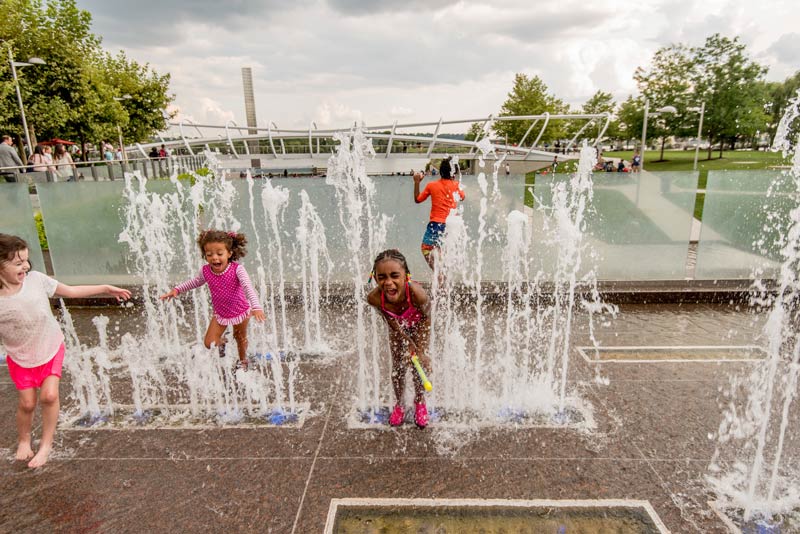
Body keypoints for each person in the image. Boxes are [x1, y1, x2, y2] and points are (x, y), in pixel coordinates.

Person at [0, 234, 131, 468]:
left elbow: (70, 291)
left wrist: (105, 288)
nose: (26, 267)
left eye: (27, 261)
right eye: (18, 263)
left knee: (49, 395)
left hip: (50, 346)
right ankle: (24, 439)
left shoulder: (36, 280)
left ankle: (46, 446)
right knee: (27, 403)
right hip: (20, 356)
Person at [160, 229, 265, 370]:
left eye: (219, 254)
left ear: (229, 253)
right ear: (205, 255)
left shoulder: (237, 269)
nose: (215, 258)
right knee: (209, 342)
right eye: (209, 254)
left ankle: (243, 360)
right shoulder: (206, 271)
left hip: (241, 311)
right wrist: (177, 290)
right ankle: (222, 342)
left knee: (240, 338)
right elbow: (196, 282)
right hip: (221, 313)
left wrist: (256, 306)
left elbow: (248, 287)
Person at [366, 249, 432, 428]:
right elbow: (390, 320)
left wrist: (420, 349)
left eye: (394, 276)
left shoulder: (418, 294)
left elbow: (427, 318)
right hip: (398, 325)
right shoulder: (374, 298)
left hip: (419, 323)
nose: (388, 282)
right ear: (375, 277)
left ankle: (419, 401)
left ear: (406, 276)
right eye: (382, 277)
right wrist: (405, 340)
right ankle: (400, 404)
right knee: (398, 366)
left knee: (417, 363)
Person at [414, 157, 465, 270]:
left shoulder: (432, 185)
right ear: (453, 172)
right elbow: (462, 197)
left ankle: (438, 273)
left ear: (440, 172)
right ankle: (443, 276)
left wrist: (417, 182)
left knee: (426, 248)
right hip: (451, 226)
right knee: (442, 250)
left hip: (436, 224)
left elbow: (417, 199)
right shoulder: (456, 185)